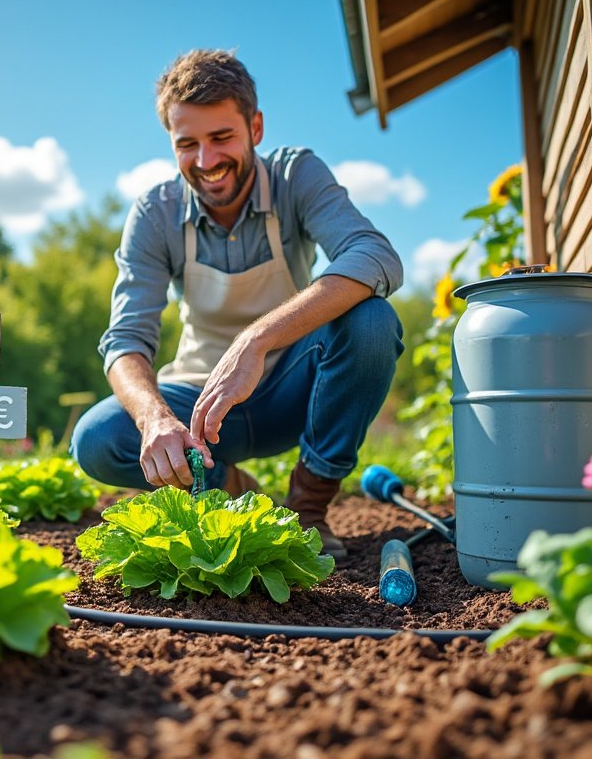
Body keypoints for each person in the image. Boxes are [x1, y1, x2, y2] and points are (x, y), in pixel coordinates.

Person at [69, 50, 404, 558]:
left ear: (256, 127)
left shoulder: (296, 177)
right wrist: (155, 418)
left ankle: (308, 507)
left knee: (372, 321)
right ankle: (233, 487)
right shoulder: (155, 214)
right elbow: (125, 341)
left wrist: (256, 341)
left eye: (221, 137)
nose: (206, 162)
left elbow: (374, 254)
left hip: (290, 391)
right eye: (187, 144)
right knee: (97, 437)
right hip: (198, 411)